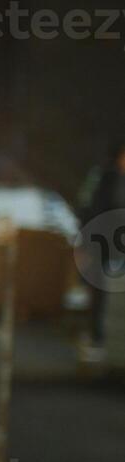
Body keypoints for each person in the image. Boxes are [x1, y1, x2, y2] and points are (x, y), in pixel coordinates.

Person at [75, 141, 125, 347]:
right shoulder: (105, 178)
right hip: (104, 240)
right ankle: (97, 335)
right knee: (100, 291)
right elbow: (91, 208)